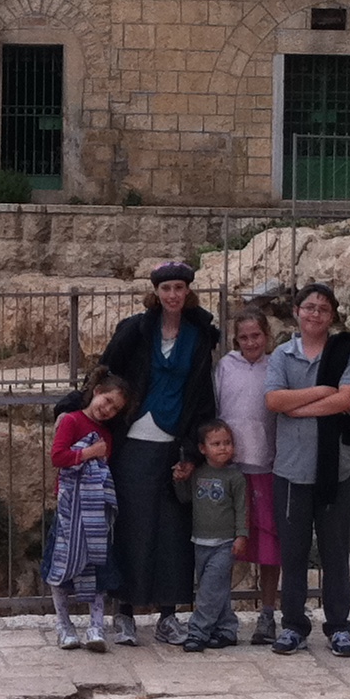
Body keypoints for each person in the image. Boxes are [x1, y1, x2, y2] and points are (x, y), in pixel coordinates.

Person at [99, 263, 219, 645]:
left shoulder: (198, 336)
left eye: (179, 288)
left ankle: (168, 615)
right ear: (156, 292)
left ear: (187, 291)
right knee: (132, 527)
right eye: (166, 288)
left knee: (172, 531)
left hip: (174, 440)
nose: (173, 295)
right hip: (135, 439)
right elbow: (108, 370)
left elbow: (202, 396)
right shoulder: (136, 330)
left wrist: (193, 450)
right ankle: (125, 612)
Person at [265, 283, 350, 658]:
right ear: (296, 311)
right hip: (290, 469)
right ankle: (293, 625)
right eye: (309, 307)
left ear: (332, 316)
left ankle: (339, 626)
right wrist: (324, 391)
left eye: (323, 309)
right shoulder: (282, 354)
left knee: (336, 553)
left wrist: (297, 408)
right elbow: (273, 399)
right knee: (293, 554)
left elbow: (348, 398)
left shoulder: (345, 352)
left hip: (335, 469)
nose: (315, 314)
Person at [211, 309, 282, 644]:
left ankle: (267, 614)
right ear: (235, 340)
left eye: (256, 336)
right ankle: (220, 616)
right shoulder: (225, 367)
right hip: (231, 468)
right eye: (244, 337)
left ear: (266, 335)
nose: (251, 342)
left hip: (268, 466)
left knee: (269, 543)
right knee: (226, 544)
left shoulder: (277, 364)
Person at [47, 371, 124, 651]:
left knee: (96, 564)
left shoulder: (106, 435)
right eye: (107, 400)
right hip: (69, 507)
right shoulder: (71, 421)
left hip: (94, 509)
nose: (108, 409)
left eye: (115, 409)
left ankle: (95, 626)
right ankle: (63, 625)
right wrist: (88, 453)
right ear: (97, 391)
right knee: (61, 563)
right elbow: (58, 456)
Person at [171, 419, 248, 651]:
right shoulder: (198, 473)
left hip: (225, 544)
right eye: (216, 444)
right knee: (216, 589)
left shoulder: (235, 477)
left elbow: (242, 508)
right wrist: (179, 480)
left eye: (227, 443)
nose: (223, 448)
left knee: (209, 590)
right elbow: (185, 498)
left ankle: (198, 632)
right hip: (200, 541)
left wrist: (241, 535)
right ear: (203, 448)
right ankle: (226, 629)